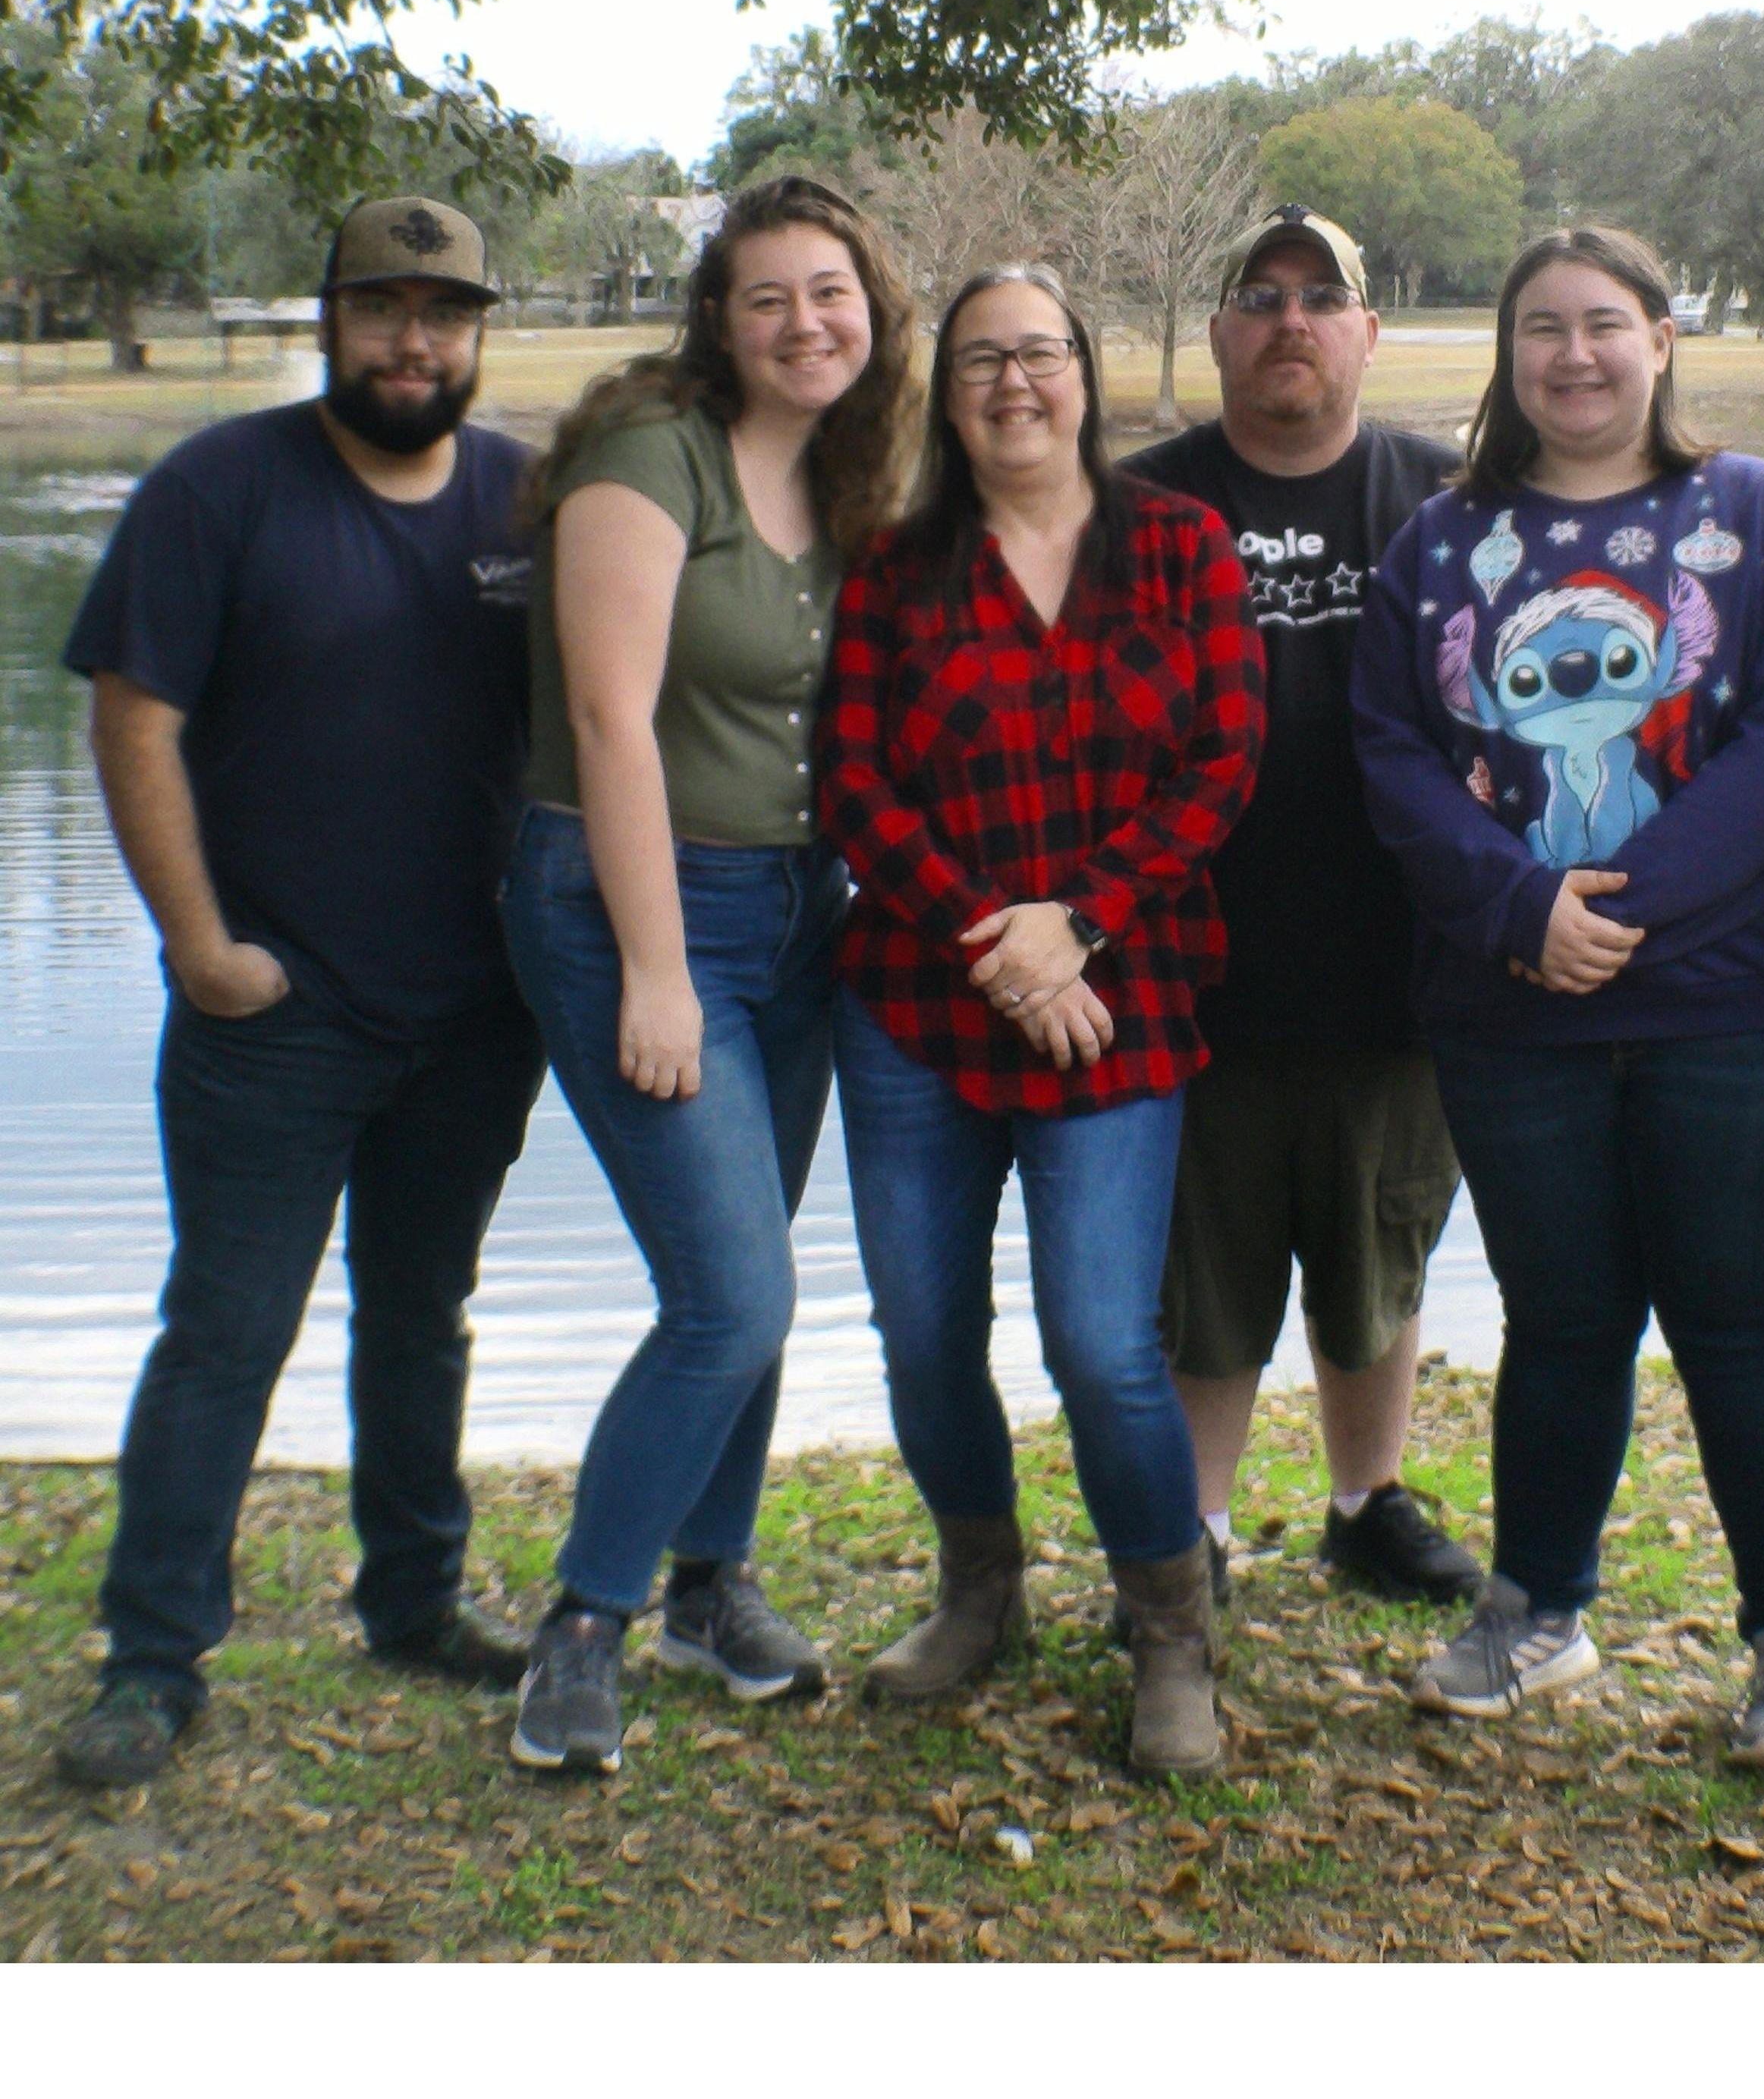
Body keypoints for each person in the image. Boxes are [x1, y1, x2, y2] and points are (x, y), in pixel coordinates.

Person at [55, 196, 547, 1786]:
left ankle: (412, 1600)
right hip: (273, 1010)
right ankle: (153, 1656)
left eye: (448, 315)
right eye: (388, 309)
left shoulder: (525, 501)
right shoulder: (219, 491)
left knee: (424, 1316)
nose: (418, 342)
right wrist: (200, 947)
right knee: (227, 1327)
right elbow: (134, 725)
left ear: (480, 333)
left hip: (472, 1011)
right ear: (329, 318)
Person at [1353, 227, 1764, 1761]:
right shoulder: (1439, 545)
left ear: (1661, 339)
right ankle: (1538, 1609)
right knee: (1562, 1322)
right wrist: (1519, 908)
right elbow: (1388, 748)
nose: (1574, 356)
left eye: (1605, 325)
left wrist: (1609, 911)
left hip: (1740, 1008)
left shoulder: (1760, 521)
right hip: (1516, 1012)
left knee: (1746, 1322)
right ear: (1506, 359)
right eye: (1541, 331)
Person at [820, 263, 1262, 1776]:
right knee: (926, 1328)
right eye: (980, 361)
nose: (1016, 381)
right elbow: (853, 786)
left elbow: (1219, 766)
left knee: (1100, 1341)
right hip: (914, 1014)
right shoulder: (893, 565)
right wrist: (986, 935)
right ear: (943, 396)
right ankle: (978, 1585)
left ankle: (1168, 1634)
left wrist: (1075, 921)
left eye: (1041, 352)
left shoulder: (1184, 547)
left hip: (1120, 1005)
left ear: (1082, 368)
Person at [500, 177, 916, 1774]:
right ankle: (585, 1623)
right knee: (729, 1293)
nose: (806, 321)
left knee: (758, 1282)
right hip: (632, 909)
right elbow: (608, 726)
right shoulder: (650, 457)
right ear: (717, 318)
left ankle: (708, 1585)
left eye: (833, 292)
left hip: (806, 909)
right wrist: (657, 968)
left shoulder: (845, 469)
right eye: (769, 297)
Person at [1123, 206, 1481, 1612]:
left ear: (1366, 333)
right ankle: (1196, 1533)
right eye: (1258, 297)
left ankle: (1363, 1501)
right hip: (1189, 975)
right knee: (1202, 1292)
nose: (1289, 320)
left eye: (1320, 296)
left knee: (1374, 1260)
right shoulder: (1139, 506)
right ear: (1216, 333)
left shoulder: (1448, 503)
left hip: (1398, 974)